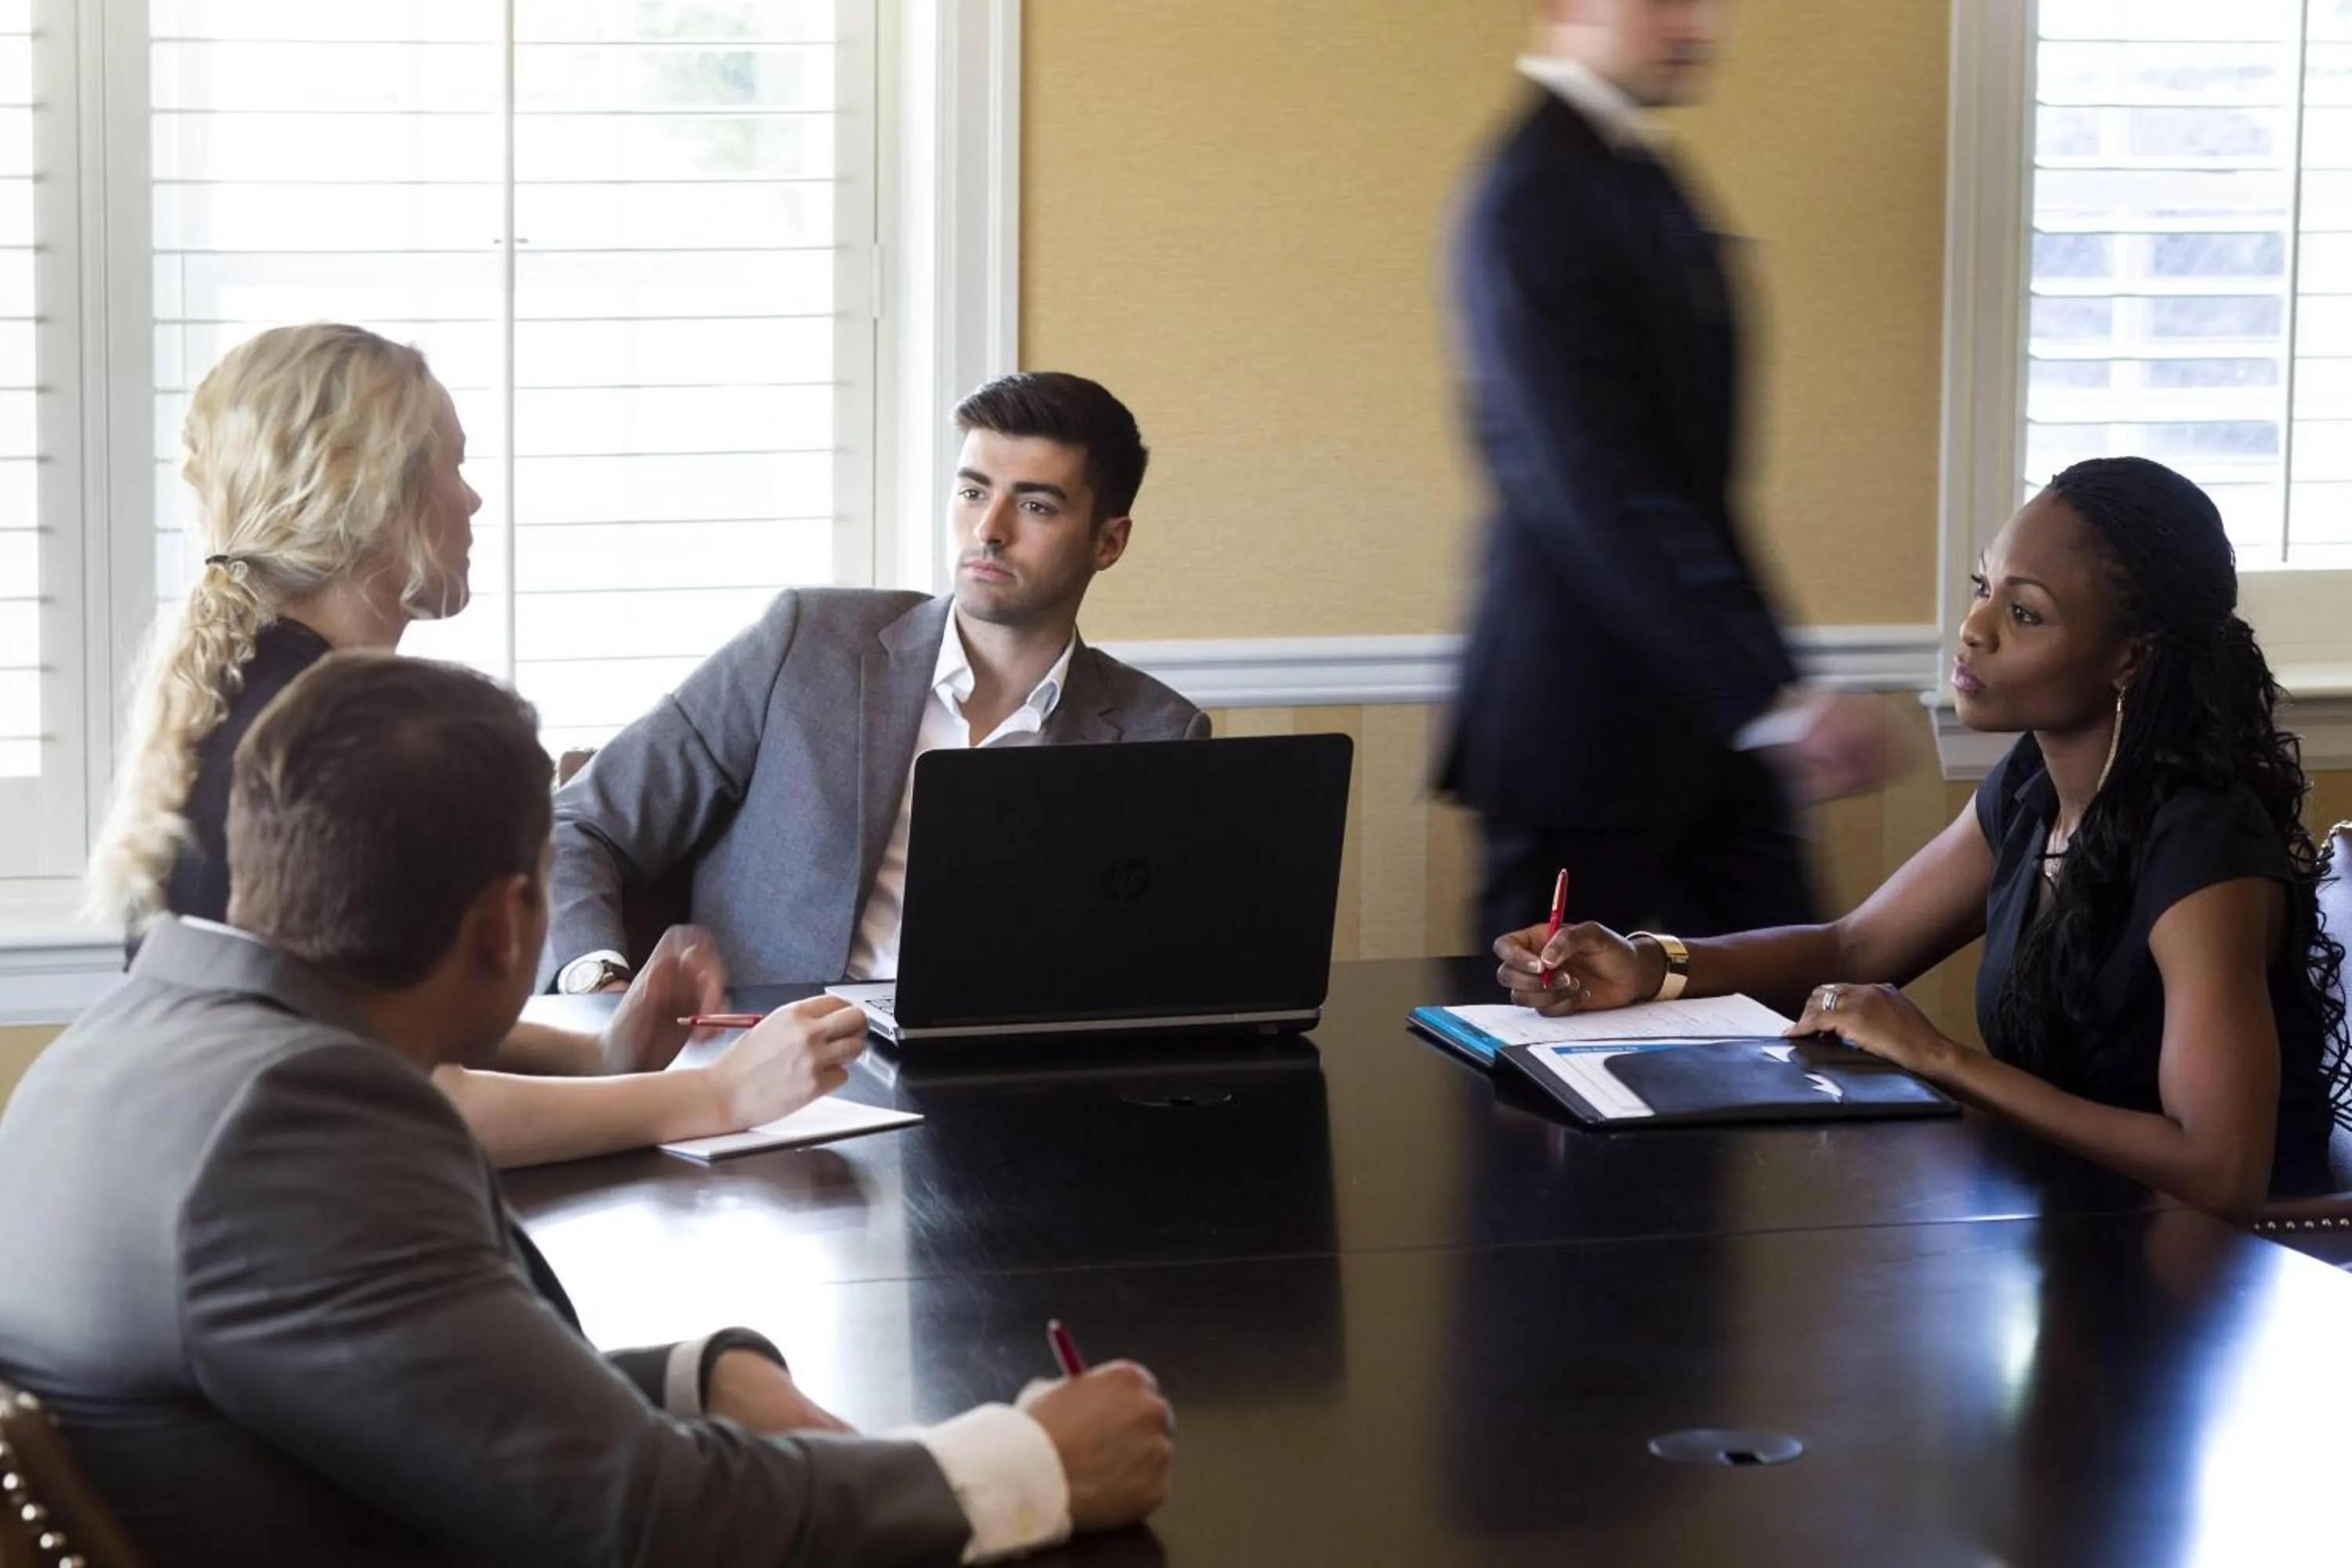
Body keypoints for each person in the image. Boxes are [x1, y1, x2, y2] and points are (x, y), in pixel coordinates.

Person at [0, 652, 1175, 1565]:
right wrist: (1032, 1461)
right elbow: (653, 1525)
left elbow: (402, 1383)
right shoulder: (299, 1131)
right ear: (508, 924)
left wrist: (698, 1377)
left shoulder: (119, 1043)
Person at [85, 321, 859, 1168]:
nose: (473, 500)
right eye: (452, 466)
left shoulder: (257, 693)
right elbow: (414, 1105)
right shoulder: (331, 752)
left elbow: (369, 1015)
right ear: (375, 495)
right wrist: (718, 1095)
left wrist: (600, 1056)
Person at [1495, 458, 2352, 1219]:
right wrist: (1647, 962)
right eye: (1984, 586)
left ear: (2131, 656)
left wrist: (1938, 1055)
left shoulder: (2203, 848)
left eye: (2025, 612)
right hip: (2073, 1226)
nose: (1975, 627)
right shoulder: (2033, 786)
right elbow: (1857, 944)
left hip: (2229, 1278)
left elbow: (2218, 1172)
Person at [1439, 0, 1890, 945]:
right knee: (1533, 1027)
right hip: (1578, 723)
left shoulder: (1633, 171)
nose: (1702, 26)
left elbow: (1693, 489)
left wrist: (1771, 688)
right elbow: (1595, 482)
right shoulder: (1535, 192)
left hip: (1701, 718)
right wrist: (1765, 692)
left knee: (1802, 1006)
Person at [546, 371, 1208, 991]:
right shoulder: (806, 643)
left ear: (1108, 543)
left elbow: (1163, 967)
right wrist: (597, 985)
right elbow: (580, 824)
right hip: (769, 1053)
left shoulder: (1159, 734)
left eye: (1035, 505)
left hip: (1013, 1066)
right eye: (973, 492)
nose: (989, 530)